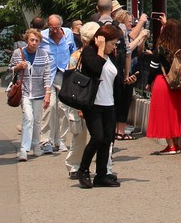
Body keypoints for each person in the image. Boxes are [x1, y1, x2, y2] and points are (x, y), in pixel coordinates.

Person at [76, 22, 123, 188]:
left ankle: (101, 175)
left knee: (107, 140)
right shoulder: (89, 52)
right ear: (101, 40)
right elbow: (95, 69)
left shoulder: (111, 56)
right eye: (112, 43)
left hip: (109, 103)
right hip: (93, 104)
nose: (114, 47)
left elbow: (115, 77)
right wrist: (101, 49)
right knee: (97, 137)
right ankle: (83, 170)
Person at [9, 28, 53, 161]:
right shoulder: (18, 53)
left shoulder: (43, 54)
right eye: (31, 40)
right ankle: (24, 149)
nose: (34, 43)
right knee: (28, 117)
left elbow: (47, 74)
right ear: (27, 40)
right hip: (24, 91)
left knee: (38, 119)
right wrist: (17, 67)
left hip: (39, 92)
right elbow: (10, 68)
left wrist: (47, 93)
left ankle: (36, 145)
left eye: (37, 41)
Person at [146, 16, 181, 155]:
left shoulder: (161, 47)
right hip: (178, 84)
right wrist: (166, 24)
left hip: (163, 82)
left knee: (164, 114)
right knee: (175, 114)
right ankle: (176, 143)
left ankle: (171, 146)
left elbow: (153, 67)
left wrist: (148, 82)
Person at [63, 22, 97, 179]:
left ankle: (82, 165)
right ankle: (74, 165)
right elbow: (71, 80)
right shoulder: (77, 56)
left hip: (95, 99)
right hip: (80, 100)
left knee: (95, 135)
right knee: (79, 134)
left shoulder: (99, 56)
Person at [42, 15, 76, 152]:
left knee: (64, 109)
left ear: (60, 26)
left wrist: (73, 69)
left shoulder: (68, 33)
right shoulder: (42, 36)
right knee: (49, 108)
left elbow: (73, 51)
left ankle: (60, 140)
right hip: (48, 75)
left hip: (64, 73)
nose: (54, 31)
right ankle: (45, 141)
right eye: (51, 28)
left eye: (56, 28)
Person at [111, 8, 146, 141]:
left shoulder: (110, 29)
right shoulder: (122, 30)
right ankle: (120, 131)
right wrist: (126, 74)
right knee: (123, 101)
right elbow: (128, 51)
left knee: (116, 101)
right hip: (122, 71)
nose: (131, 24)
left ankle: (115, 130)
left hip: (113, 70)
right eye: (129, 21)